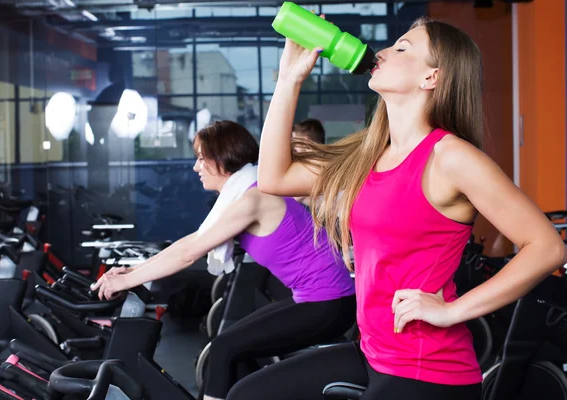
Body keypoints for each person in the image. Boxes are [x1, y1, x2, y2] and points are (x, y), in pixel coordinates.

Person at [227, 16, 567, 400]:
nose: (384, 52)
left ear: (431, 78)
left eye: (402, 47)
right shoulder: (369, 155)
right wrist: (289, 79)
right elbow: (274, 178)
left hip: (427, 370)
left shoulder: (449, 157)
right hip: (373, 352)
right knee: (248, 393)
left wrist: (453, 312)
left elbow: (547, 246)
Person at [92, 120, 356, 400]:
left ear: (222, 158)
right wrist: (130, 271)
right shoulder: (247, 191)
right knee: (231, 350)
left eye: (201, 159)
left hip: (329, 302)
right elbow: (193, 241)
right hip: (318, 298)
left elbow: (189, 252)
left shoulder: (253, 199)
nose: (196, 167)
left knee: (223, 349)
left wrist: (128, 279)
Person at [291, 118, 326, 206]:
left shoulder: (315, 164)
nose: (293, 147)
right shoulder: (325, 160)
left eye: (295, 141)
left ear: (306, 140)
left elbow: (296, 195)